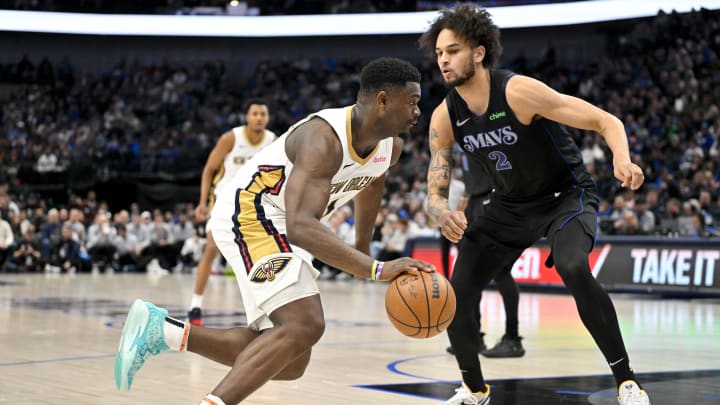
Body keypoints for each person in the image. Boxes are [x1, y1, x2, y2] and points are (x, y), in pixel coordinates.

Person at [114, 57, 435, 405]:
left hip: (281, 221)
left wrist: (362, 247)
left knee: (291, 359)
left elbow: (372, 183)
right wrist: (372, 268)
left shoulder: (391, 146)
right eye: (413, 102)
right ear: (383, 100)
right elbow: (299, 227)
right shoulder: (323, 137)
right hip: (251, 212)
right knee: (305, 325)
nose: (418, 111)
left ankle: (162, 332)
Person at [419, 4, 649, 405]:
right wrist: (441, 211)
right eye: (439, 52)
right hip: (510, 204)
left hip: (566, 195)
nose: (443, 59)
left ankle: (627, 381)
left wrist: (622, 159)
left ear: (478, 52)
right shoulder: (444, 116)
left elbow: (605, 121)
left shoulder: (518, 92)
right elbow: (434, 190)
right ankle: (474, 389)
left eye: (452, 50)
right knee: (458, 290)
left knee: (573, 266)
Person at [188, 98, 278, 325]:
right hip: (222, 199)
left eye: (263, 114)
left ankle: (263, 307)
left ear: (267, 118)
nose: (259, 118)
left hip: (252, 202)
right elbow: (209, 170)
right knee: (212, 247)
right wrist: (201, 202)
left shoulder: (272, 140)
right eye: (255, 113)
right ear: (247, 117)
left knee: (264, 253)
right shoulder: (231, 138)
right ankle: (195, 305)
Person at [445, 156, 524, 359]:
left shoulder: (484, 125)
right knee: (471, 268)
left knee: (500, 270)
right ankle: (473, 335)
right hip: (475, 200)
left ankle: (513, 338)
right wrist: (466, 199)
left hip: (494, 199)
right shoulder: (461, 132)